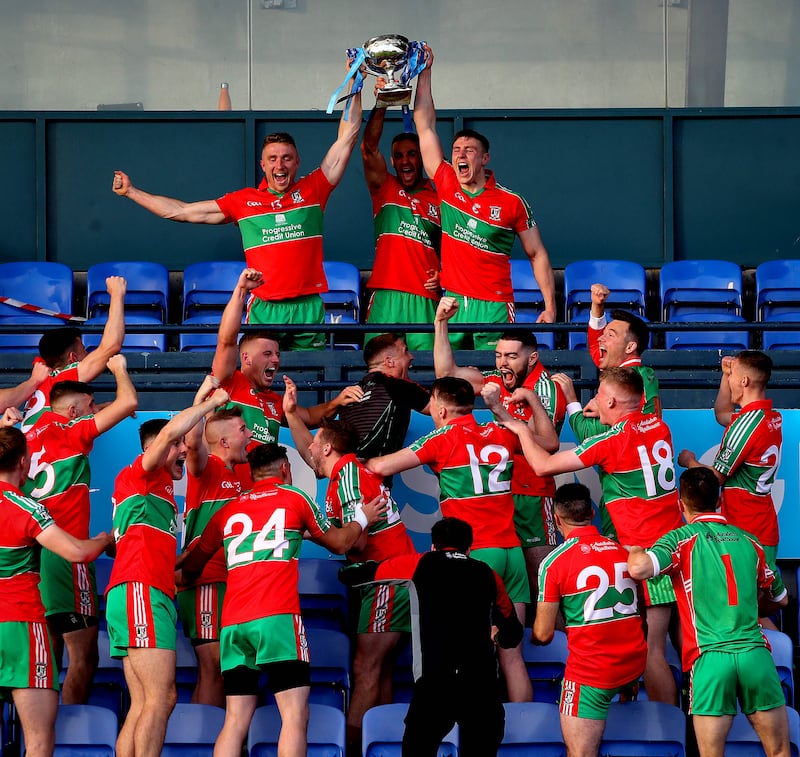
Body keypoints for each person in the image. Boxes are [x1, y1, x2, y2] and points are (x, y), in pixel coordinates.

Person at [111, 76, 362, 350]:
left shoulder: (314, 189)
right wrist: (132, 192)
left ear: (297, 162)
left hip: (308, 306)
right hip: (266, 308)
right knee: (261, 378)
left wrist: (355, 80)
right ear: (262, 165)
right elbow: (181, 211)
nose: (280, 164)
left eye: (287, 158)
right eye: (273, 159)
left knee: (312, 381)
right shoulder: (243, 201)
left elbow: (347, 138)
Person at [177, 442, 387, 757]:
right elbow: (341, 544)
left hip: (233, 623)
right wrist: (362, 518)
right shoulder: (295, 499)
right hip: (277, 620)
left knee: (235, 719)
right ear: (285, 469)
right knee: (294, 715)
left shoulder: (228, 510)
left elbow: (191, 566)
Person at [489, 367, 682, 705]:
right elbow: (625, 419)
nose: (593, 401)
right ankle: (641, 716)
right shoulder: (658, 425)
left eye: (598, 396)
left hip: (643, 553)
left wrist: (519, 428)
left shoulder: (612, 440)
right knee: (645, 644)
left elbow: (543, 466)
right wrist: (586, 408)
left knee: (652, 651)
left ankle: (666, 727)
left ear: (610, 399)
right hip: (667, 547)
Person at [367, 376, 534, 702]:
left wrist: (362, 457)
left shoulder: (441, 438)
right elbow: (547, 442)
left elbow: (379, 465)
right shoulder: (502, 432)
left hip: (474, 556)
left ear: (441, 409)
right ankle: (522, 741)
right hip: (512, 552)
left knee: (469, 654)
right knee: (512, 655)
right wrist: (503, 413)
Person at [283, 387, 417, 753]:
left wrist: (315, 532)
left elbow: (355, 542)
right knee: (382, 670)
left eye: (314, 443)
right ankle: (384, 745)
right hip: (388, 577)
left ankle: (355, 748)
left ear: (327, 448)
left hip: (387, 577)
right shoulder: (343, 472)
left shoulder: (349, 478)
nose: (308, 448)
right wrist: (292, 413)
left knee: (366, 667)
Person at [627, 467, 790, 757]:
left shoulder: (680, 539)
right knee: (778, 751)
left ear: (681, 504)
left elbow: (639, 568)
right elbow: (781, 599)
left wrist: (635, 549)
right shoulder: (751, 541)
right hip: (755, 654)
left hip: (710, 658)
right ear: (720, 500)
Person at [106, 383, 231, 757]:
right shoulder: (140, 475)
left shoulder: (159, 491)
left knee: (145, 702)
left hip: (143, 591)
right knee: (162, 697)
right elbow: (173, 432)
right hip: (140, 590)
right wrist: (211, 403)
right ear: (153, 449)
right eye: (176, 446)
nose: (184, 450)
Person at [412, 45, 556, 349]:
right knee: (448, 378)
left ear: (485, 158)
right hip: (451, 302)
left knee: (496, 379)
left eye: (470, 151)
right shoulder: (446, 180)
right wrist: (425, 73)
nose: (461, 156)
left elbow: (537, 254)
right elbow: (424, 127)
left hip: (494, 305)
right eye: (456, 151)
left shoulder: (512, 202)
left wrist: (549, 305)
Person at [341, 517, 524, 757]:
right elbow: (513, 633)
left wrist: (348, 569)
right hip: (481, 686)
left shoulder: (419, 563)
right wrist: (497, 638)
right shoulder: (488, 573)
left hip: (435, 682)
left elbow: (356, 575)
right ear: (469, 548)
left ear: (433, 546)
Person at [434, 295, 565, 607]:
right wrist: (441, 323)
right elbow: (446, 374)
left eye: (511, 356)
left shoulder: (545, 388)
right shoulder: (494, 380)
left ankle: (556, 642)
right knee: (505, 583)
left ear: (531, 359)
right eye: (498, 355)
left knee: (540, 580)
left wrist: (497, 409)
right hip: (502, 499)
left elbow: (544, 444)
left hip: (533, 495)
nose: (502, 363)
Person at [22, 355, 138, 705]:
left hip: (34, 554)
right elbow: (129, 402)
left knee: (50, 652)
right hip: (69, 555)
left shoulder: (28, 432)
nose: (93, 414)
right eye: (89, 408)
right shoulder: (72, 431)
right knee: (84, 656)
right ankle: (72, 727)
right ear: (73, 413)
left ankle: (48, 733)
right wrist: (119, 369)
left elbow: (86, 411)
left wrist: (97, 406)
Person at [0, 426, 113, 757]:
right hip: (21, 626)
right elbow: (78, 553)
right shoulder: (27, 507)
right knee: (37, 740)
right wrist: (104, 540)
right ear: (24, 462)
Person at [211, 267, 358, 486]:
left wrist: (338, 401)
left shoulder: (274, 400)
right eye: (267, 354)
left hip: (264, 493)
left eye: (278, 354)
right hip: (228, 490)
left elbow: (307, 417)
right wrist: (241, 291)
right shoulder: (229, 383)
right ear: (246, 358)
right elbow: (227, 340)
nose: (276, 360)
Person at [535, 482, 647, 757]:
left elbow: (543, 634)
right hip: (633, 664)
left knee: (580, 753)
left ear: (556, 518)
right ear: (593, 513)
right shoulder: (624, 552)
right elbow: (640, 615)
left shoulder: (554, 562)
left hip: (592, 673)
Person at [678, 350, 785, 625]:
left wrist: (690, 462)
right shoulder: (770, 417)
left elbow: (714, 479)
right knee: (751, 610)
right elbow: (723, 412)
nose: (731, 379)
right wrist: (727, 376)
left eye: (734, 375)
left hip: (746, 528)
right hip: (764, 524)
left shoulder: (746, 425)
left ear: (745, 381)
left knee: (744, 612)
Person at [178, 378, 252, 707]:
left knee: (219, 669)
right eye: (242, 430)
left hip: (226, 582)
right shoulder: (207, 469)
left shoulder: (235, 478)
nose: (249, 435)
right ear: (222, 441)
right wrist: (203, 398)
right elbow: (193, 439)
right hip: (204, 579)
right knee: (212, 668)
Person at [360, 105, 441, 350]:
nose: (406, 161)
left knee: (427, 372)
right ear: (393, 161)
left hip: (425, 297)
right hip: (386, 295)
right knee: (378, 370)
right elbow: (369, 148)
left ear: (422, 158)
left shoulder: (441, 198)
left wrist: (444, 275)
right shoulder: (384, 187)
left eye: (412, 154)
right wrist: (382, 104)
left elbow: (458, 246)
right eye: (400, 156)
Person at [21, 275, 127, 430]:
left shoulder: (44, 382)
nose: (89, 354)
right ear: (73, 359)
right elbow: (111, 346)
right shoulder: (62, 378)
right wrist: (117, 294)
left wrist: (103, 408)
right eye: (84, 349)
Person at [337, 333, 430, 470]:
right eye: (405, 351)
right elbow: (442, 408)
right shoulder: (399, 386)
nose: (411, 356)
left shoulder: (348, 395)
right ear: (389, 362)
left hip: (342, 480)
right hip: (370, 485)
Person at [584, 282, 660, 416]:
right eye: (604, 334)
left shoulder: (640, 378)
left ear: (630, 347)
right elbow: (596, 346)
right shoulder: (615, 367)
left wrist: (602, 411)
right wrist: (597, 305)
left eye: (610, 335)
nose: (600, 339)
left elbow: (647, 422)